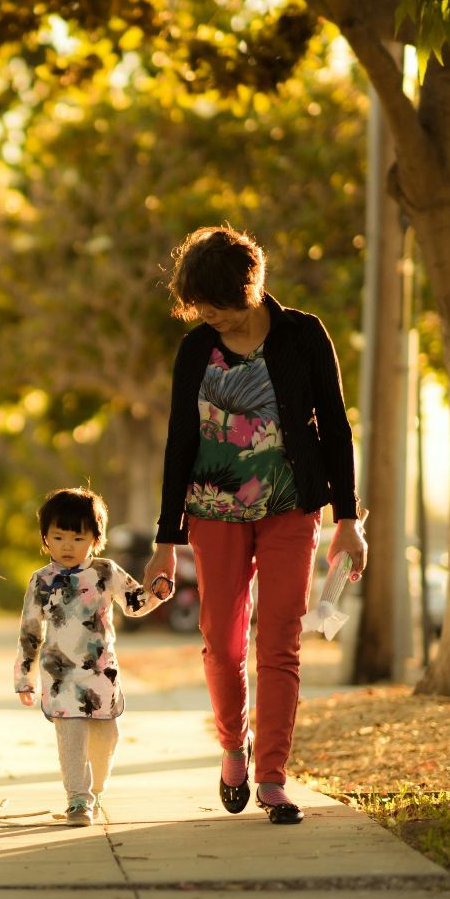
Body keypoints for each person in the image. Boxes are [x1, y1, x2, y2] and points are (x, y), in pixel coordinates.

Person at [143, 226, 366, 826]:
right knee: (222, 638)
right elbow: (179, 442)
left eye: (217, 308)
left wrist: (347, 518)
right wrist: (165, 541)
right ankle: (231, 747)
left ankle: (272, 775)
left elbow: (336, 429)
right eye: (201, 311)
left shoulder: (302, 334)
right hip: (212, 511)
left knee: (281, 639)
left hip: (292, 506)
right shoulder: (196, 350)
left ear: (249, 290)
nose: (209, 318)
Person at [14, 487, 171, 827]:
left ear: (95, 539)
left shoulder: (106, 571)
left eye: (77, 537)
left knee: (105, 738)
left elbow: (133, 604)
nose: (67, 546)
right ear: (45, 539)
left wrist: (157, 594)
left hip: (101, 674)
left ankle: (96, 788)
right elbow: (30, 631)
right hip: (59, 677)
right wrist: (24, 676)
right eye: (58, 537)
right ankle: (77, 799)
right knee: (70, 738)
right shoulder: (41, 581)